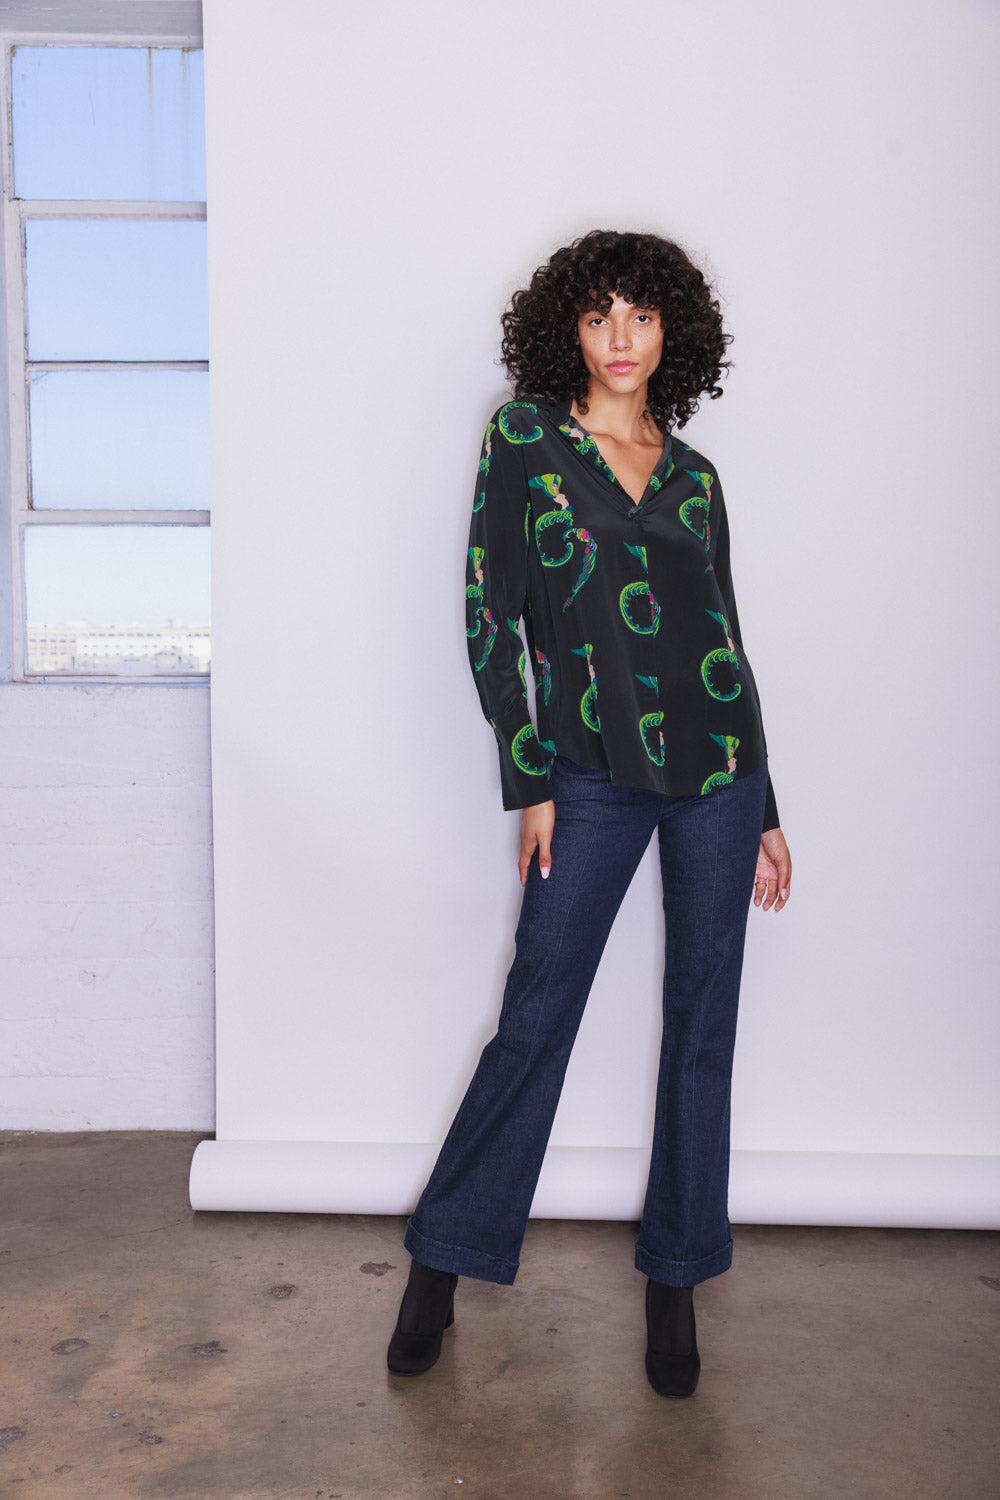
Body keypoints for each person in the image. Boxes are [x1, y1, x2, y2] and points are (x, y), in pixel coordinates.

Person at [387, 229, 792, 1397]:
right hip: (588, 776)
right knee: (538, 1011)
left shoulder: (695, 475)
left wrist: (765, 799)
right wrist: (530, 782)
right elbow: (489, 616)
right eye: (600, 317)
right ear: (567, 325)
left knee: (702, 1022)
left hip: (718, 778)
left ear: (675, 336)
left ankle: (675, 1283)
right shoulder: (524, 440)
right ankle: (443, 1260)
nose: (622, 342)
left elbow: (724, 639)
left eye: (645, 320)